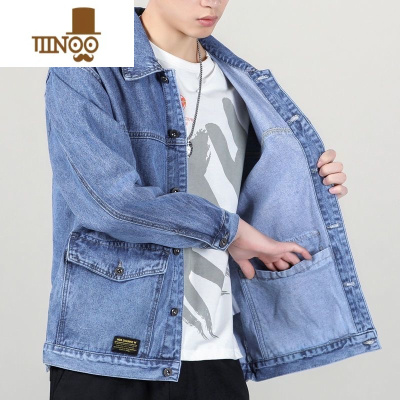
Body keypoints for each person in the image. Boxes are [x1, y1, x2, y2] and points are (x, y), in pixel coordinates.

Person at [46, 1, 348, 399]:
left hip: (217, 351)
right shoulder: (86, 68)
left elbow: (249, 195)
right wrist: (229, 231)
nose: (211, 2)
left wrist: (309, 178)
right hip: (112, 353)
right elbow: (110, 203)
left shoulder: (244, 85)